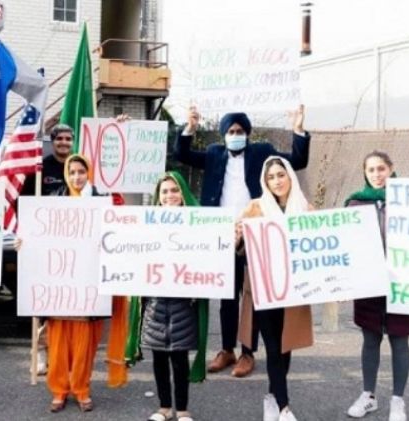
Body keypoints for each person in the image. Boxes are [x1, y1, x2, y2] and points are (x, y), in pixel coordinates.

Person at [174, 105, 310, 377]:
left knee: (252, 297)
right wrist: (189, 128)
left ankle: (248, 352)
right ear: (224, 135)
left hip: (256, 234)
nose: (235, 135)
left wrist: (297, 130)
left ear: (247, 133)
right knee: (227, 297)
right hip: (222, 234)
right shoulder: (214, 154)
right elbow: (182, 154)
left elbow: (296, 160)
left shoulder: (261, 152)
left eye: (240, 131)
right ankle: (226, 349)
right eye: (231, 132)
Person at [15, 154, 127, 413]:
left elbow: (116, 236)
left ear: (89, 173)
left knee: (85, 345)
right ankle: (59, 389)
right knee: (58, 342)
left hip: (88, 287)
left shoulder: (102, 202)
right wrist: (24, 243)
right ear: (66, 173)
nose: (77, 177)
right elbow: (38, 236)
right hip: (59, 287)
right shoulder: (54, 199)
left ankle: (81, 388)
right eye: (72, 172)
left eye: (81, 171)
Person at [125, 171, 208, 421]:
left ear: (182, 194)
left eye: (174, 190)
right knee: (158, 358)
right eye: (165, 192)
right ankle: (163, 407)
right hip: (155, 302)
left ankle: (181, 409)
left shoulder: (200, 225)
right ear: (158, 197)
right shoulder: (146, 226)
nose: (170, 196)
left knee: (180, 358)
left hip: (184, 301)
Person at [236, 157, 314, 421]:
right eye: (271, 177)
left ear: (290, 176)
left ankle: (271, 396)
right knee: (272, 347)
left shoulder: (306, 210)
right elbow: (238, 247)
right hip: (264, 289)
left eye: (281, 175)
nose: (277, 181)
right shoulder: (255, 208)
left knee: (286, 346)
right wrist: (237, 236)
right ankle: (284, 406)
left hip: (294, 291)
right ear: (265, 181)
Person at [344, 151, 409, 421]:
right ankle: (368, 396)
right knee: (370, 339)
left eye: (381, 169)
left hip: (403, 281)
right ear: (365, 173)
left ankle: (397, 400)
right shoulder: (355, 203)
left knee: (400, 340)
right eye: (371, 170)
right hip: (369, 284)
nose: (376, 174)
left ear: (391, 169)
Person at [20, 123, 73, 196]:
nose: (64, 142)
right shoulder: (39, 168)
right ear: (52, 141)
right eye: (59, 138)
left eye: (68, 139)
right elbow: (25, 198)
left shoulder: (79, 166)